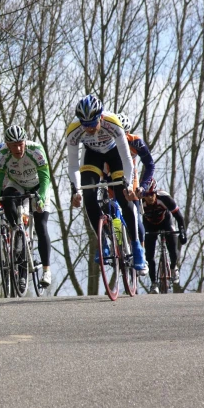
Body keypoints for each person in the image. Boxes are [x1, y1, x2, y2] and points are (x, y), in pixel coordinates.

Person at [66, 95, 147, 275]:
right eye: (84, 124)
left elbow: (127, 158)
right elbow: (72, 166)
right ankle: (101, 240)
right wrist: (75, 190)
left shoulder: (113, 122)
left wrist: (127, 185)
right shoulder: (73, 130)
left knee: (122, 197)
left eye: (92, 123)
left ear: (100, 117)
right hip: (92, 156)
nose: (88, 128)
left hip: (115, 154)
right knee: (88, 195)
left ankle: (136, 246)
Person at [0, 125, 53, 288]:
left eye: (20, 144)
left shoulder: (36, 150)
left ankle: (46, 270)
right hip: (17, 184)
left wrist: (42, 198)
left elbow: (45, 178)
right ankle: (17, 230)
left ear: (25, 142)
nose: (17, 148)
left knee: (41, 224)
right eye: (13, 145)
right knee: (7, 197)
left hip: (38, 186)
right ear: (7, 145)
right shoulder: (2, 155)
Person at [141, 179, 187, 293]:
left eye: (152, 194)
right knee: (149, 255)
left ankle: (173, 267)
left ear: (155, 192)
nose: (150, 198)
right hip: (149, 225)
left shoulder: (164, 198)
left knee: (172, 246)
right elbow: (134, 221)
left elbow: (179, 217)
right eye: (147, 195)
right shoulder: (140, 201)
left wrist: (182, 233)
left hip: (165, 222)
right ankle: (153, 283)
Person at [116, 112, 155, 243]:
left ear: (128, 133)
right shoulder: (106, 144)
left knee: (136, 220)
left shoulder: (136, 142)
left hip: (131, 180)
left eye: (124, 135)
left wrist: (143, 187)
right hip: (111, 179)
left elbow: (150, 165)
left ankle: (141, 255)